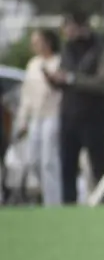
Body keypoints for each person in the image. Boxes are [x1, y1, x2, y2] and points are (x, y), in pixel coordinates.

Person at [48, 11, 104, 204]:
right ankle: (69, 204)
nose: (66, 32)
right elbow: (63, 74)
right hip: (69, 115)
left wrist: (72, 79)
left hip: (94, 117)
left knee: (98, 166)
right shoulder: (67, 49)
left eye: (69, 27)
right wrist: (55, 80)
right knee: (67, 167)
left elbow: (103, 83)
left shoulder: (101, 49)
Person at [13, 29, 63, 206]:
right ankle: (45, 193)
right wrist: (22, 120)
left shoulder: (58, 62)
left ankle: (53, 202)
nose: (34, 45)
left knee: (49, 160)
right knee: (33, 159)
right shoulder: (33, 64)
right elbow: (26, 94)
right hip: (36, 117)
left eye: (37, 41)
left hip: (52, 114)